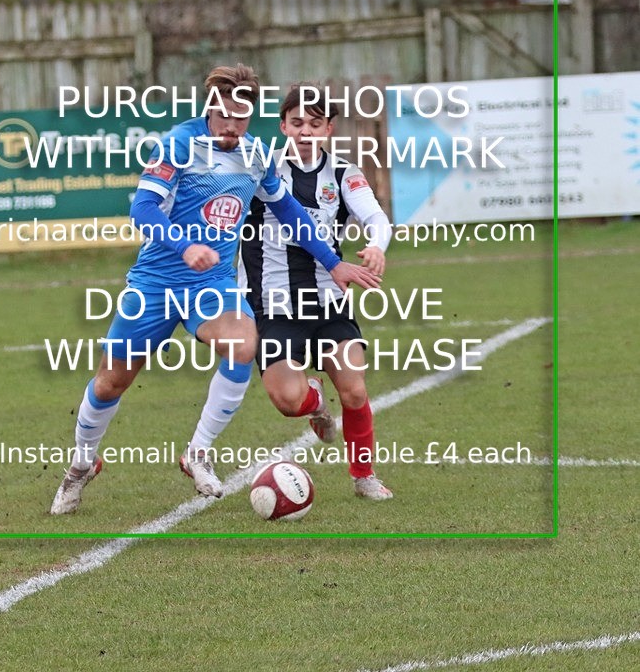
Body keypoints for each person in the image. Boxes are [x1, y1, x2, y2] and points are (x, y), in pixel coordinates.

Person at [50, 64, 380, 514]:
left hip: (211, 283)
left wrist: (333, 262)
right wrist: (184, 246)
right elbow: (143, 210)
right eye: (222, 115)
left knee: (244, 344)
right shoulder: (179, 145)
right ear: (209, 108)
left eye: (240, 117)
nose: (230, 126)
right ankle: (82, 465)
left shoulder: (257, 156)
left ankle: (198, 452)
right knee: (110, 382)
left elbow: (289, 213)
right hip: (155, 282)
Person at [237, 84, 393, 500]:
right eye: (297, 122)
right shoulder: (259, 172)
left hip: (327, 302)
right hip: (272, 306)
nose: (306, 131)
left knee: (356, 390)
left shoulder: (345, 174)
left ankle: (364, 477)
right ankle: (315, 405)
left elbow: (376, 218)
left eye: (315, 123)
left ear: (329, 128)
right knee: (289, 401)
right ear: (283, 126)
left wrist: (377, 245)